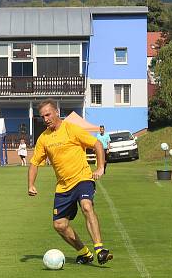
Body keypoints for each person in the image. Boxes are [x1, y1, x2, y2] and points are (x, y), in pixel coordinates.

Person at [27, 99, 112, 266]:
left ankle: (100, 249)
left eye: (48, 114)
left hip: (82, 179)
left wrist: (100, 167)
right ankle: (84, 253)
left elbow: (96, 144)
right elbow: (34, 163)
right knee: (59, 225)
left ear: (56, 112)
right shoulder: (43, 138)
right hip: (63, 186)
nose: (45, 119)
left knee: (87, 206)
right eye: (42, 116)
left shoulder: (71, 129)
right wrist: (30, 184)